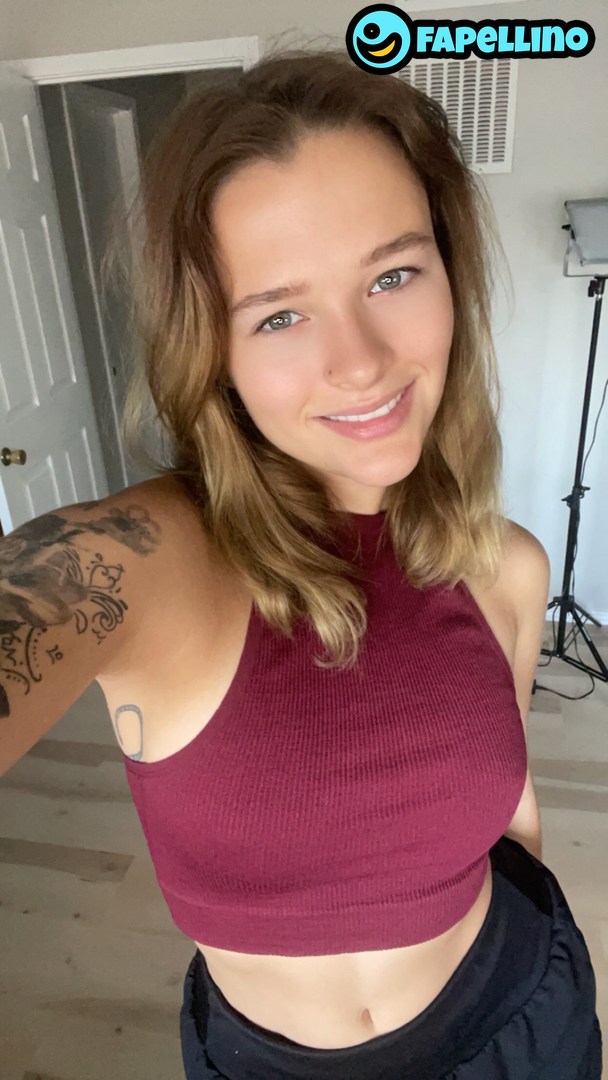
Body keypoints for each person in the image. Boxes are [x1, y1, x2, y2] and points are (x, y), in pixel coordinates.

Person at [0, 45, 602, 1080]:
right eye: (278, 314)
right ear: (213, 351)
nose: (359, 361)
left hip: (522, 1013)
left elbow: (511, 812)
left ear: (451, 278)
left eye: (392, 274)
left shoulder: (502, 565)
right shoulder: (145, 565)